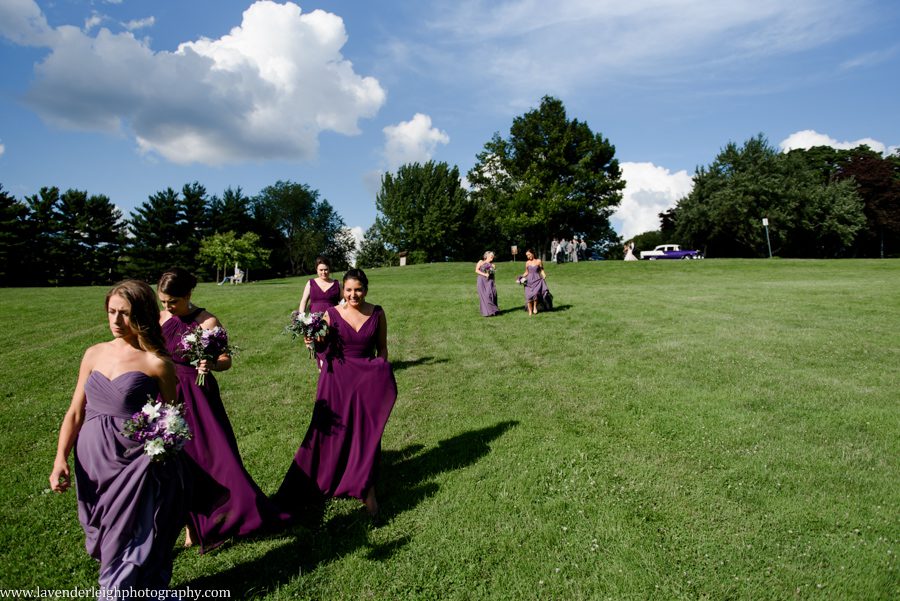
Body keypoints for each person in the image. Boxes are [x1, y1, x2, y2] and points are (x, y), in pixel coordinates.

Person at [49, 280, 186, 595]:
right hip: (91, 462)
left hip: (135, 465)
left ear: (143, 315)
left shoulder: (157, 363)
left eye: (125, 314)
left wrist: (161, 455)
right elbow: (74, 413)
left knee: (130, 536)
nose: (116, 321)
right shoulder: (93, 354)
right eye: (111, 312)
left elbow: (172, 418)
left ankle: (114, 591)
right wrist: (60, 459)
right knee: (102, 532)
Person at [157, 267, 286, 552]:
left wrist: (211, 364)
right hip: (167, 393)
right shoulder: (160, 318)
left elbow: (226, 359)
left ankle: (234, 513)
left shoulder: (207, 321)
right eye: (163, 301)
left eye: (173, 302)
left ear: (188, 295)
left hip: (198, 396)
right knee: (178, 461)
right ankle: (191, 526)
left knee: (214, 457)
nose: (168, 307)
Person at [275, 268, 397, 521]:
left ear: (366, 289)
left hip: (366, 380)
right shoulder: (331, 314)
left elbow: (382, 347)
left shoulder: (377, 312)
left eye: (359, 289)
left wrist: (379, 370)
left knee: (366, 434)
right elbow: (322, 346)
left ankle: (367, 488)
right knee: (329, 433)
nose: (354, 294)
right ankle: (325, 478)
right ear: (342, 290)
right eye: (349, 290)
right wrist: (310, 340)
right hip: (337, 381)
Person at [520, 249, 553, 316]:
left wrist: (544, 275)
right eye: (527, 255)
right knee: (528, 296)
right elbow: (526, 272)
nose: (528, 256)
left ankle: (535, 307)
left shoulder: (538, 261)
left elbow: (541, 270)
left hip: (537, 280)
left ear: (532, 253)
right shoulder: (527, 262)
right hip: (528, 280)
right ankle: (530, 311)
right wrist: (521, 277)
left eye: (529, 254)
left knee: (535, 294)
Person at [475, 251, 499, 317]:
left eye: (493, 256)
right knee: (484, 296)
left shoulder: (493, 265)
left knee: (490, 295)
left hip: (489, 281)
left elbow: (493, 275)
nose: (492, 257)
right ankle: (487, 312)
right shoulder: (480, 262)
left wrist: (494, 283)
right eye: (491, 255)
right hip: (481, 281)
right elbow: (476, 270)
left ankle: (493, 311)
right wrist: (485, 274)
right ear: (487, 256)